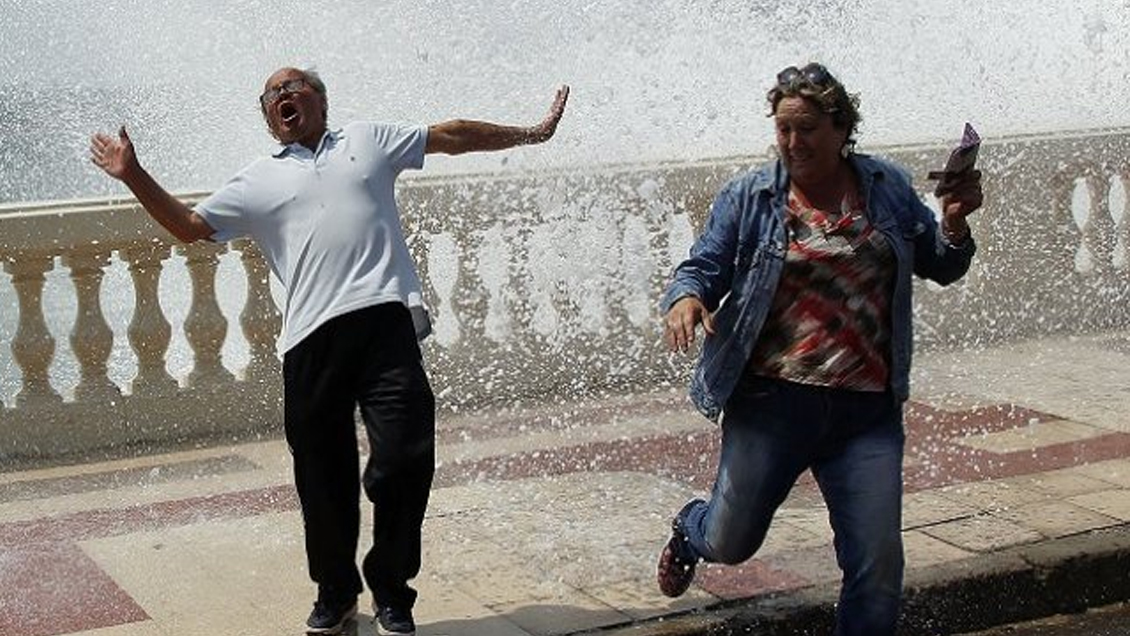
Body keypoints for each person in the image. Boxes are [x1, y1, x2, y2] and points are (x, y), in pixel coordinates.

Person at [90, 67, 569, 636]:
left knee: (405, 459)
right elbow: (190, 225)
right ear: (268, 118)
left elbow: (452, 134)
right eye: (272, 95)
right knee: (322, 481)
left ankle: (392, 590)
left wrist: (533, 132)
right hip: (309, 341)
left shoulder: (367, 140)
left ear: (320, 100)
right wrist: (133, 174)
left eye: (293, 87)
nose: (282, 96)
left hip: (385, 323)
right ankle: (337, 593)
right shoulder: (257, 180)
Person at [654, 62, 982, 636]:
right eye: (783, 128)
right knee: (730, 542)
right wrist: (685, 298)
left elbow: (941, 264)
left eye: (806, 128)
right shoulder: (751, 196)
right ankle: (690, 529)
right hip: (769, 406)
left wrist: (953, 225)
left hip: (866, 411)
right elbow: (703, 266)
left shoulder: (887, 187)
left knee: (878, 566)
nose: (792, 142)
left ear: (841, 128)